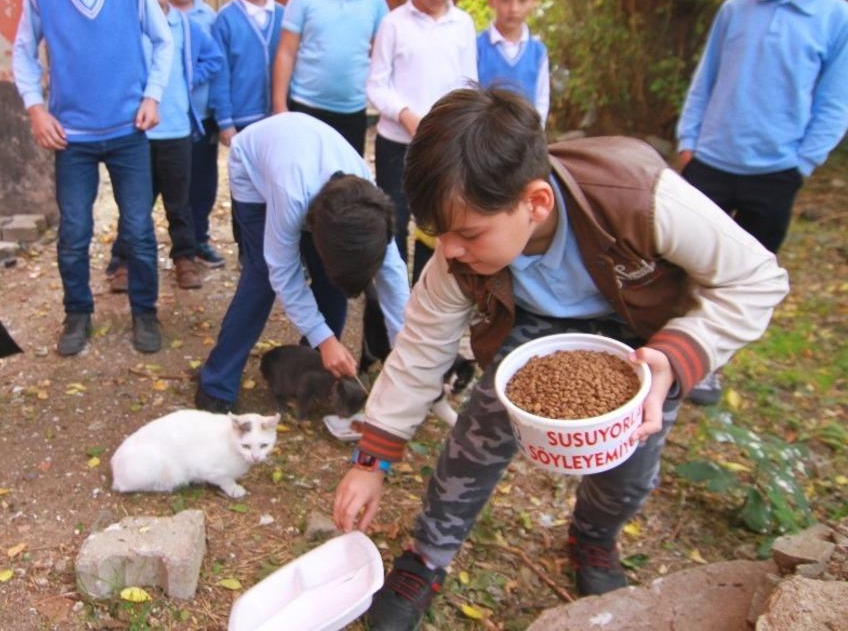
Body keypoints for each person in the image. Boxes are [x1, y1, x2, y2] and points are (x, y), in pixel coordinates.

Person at [332, 88, 789, 630]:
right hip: (530, 326)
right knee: (478, 434)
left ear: (536, 203)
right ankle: (427, 556)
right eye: (438, 234)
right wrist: (372, 459)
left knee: (631, 466)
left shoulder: (638, 197)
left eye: (468, 233)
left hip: (640, 331)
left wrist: (682, 351)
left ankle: (593, 539)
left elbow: (757, 278)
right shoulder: (459, 257)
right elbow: (419, 351)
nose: (448, 250)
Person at [675, 0, 846, 403]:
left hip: (774, 174)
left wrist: (801, 165)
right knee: (682, 262)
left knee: (739, 276)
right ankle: (661, 339)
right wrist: (689, 143)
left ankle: (705, 364)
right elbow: (704, 81)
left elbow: (834, 104)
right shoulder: (737, 10)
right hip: (708, 162)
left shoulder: (837, 20)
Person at [12, 0, 173, 356]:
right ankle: (77, 313)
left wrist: (152, 96)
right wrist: (36, 110)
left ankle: (145, 311)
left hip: (128, 131)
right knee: (74, 230)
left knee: (139, 228)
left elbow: (163, 41)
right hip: (72, 138)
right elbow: (23, 52)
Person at [194, 114, 410, 413]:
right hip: (254, 166)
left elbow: (393, 274)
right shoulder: (291, 194)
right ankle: (216, 385)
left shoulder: (370, 208)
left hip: (308, 166)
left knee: (331, 281)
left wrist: (406, 351)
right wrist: (325, 338)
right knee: (261, 279)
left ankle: (315, 369)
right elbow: (282, 272)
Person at [366, 0, 476, 269]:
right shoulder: (394, 24)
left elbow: (469, 84)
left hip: (442, 147)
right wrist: (405, 114)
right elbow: (376, 85)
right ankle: (389, 311)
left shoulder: (463, 25)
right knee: (393, 225)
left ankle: (426, 303)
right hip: (396, 145)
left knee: (437, 226)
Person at [130, 0, 224, 291]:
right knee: (135, 202)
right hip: (137, 132)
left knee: (179, 202)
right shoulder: (128, 25)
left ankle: (184, 258)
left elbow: (213, 59)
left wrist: (187, 79)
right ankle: (124, 262)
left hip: (175, 130)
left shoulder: (185, 27)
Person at [271, 0, 389, 155]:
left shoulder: (374, 0)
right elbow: (286, 52)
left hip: (352, 110)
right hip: (307, 106)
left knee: (346, 183)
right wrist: (279, 106)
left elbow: (384, 54)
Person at [168, 0, 227, 271]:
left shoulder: (209, 17)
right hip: (167, 119)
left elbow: (215, 63)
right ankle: (179, 247)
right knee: (173, 186)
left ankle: (200, 239)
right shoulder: (157, 12)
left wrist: (189, 76)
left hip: (202, 117)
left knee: (203, 184)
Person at [211, 0, 284, 145]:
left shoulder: (283, 15)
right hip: (242, 118)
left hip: (278, 114)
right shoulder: (226, 19)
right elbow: (220, 73)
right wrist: (225, 121)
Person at [476, 0, 550, 124]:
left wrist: (535, 133)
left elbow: (542, 99)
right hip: (485, 139)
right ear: (491, 0)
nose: (514, 8)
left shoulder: (538, 52)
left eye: (522, 0)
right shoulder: (477, 47)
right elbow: (469, 96)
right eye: (505, 0)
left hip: (524, 138)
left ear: (534, 1)